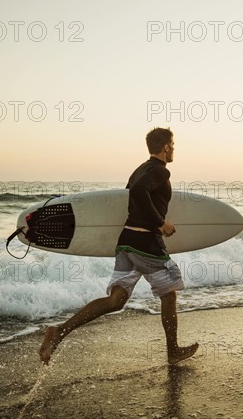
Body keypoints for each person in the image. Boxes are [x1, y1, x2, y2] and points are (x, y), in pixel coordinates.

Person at [39, 127, 199, 365]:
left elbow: (127, 198)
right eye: (172, 144)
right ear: (165, 146)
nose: (174, 149)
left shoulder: (139, 170)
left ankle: (59, 331)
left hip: (126, 242)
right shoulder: (159, 171)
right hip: (146, 242)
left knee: (116, 301)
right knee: (169, 294)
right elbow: (137, 192)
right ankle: (173, 351)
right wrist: (160, 223)